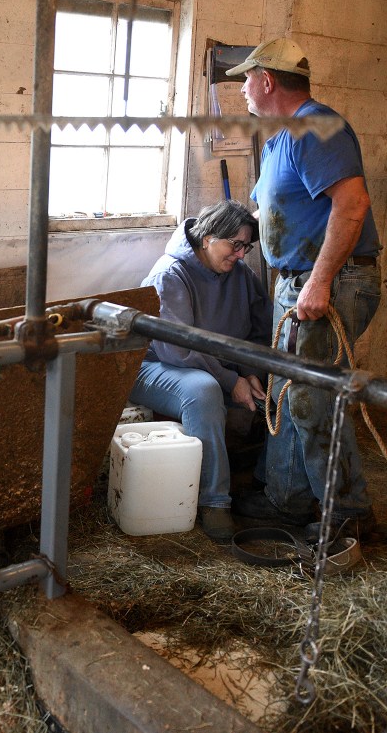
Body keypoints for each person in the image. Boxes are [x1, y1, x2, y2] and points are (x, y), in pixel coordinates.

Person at [225, 37, 383, 540]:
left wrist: (319, 282)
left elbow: (352, 205)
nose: (244, 92)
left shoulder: (317, 127)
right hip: (296, 285)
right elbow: (266, 214)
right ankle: (287, 499)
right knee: (288, 394)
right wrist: (204, 238)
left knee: (313, 400)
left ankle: (349, 515)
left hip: (327, 284)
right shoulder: (282, 140)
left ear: (267, 80)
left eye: (247, 81)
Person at [129, 200, 273, 543]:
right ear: (207, 238)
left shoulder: (241, 275)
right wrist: (231, 379)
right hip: (152, 365)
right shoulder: (171, 274)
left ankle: (269, 485)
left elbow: (258, 329)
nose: (241, 254)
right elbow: (178, 348)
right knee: (202, 390)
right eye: (234, 245)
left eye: (246, 246)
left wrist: (250, 370)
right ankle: (214, 501)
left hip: (217, 364)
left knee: (283, 382)